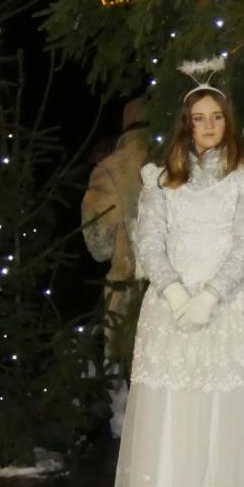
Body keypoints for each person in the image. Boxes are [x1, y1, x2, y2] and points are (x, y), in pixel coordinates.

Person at [109, 81, 244, 487]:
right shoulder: (161, 178)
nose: (208, 126)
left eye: (216, 117)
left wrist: (210, 297)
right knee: (175, 406)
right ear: (186, 125)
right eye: (199, 118)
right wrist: (173, 293)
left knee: (220, 407)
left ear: (228, 122)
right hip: (172, 309)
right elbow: (150, 240)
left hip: (226, 308)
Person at [81, 96, 151, 438]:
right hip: (181, 293)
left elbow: (97, 245)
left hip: (127, 292)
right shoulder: (181, 162)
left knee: (127, 392)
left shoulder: (110, 169)